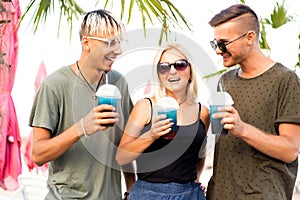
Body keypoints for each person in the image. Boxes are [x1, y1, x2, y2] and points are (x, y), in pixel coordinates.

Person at [29, 9, 135, 200]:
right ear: (86, 43)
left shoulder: (119, 83)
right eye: (109, 43)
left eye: (119, 43)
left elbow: (124, 143)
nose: (117, 50)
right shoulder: (54, 85)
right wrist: (81, 128)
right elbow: (37, 154)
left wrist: (131, 187)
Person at [206, 4, 300, 200]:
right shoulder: (225, 81)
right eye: (215, 44)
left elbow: (291, 150)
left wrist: (242, 129)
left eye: (223, 43)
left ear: (249, 38)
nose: (218, 51)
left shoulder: (285, 80)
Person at [116, 44, 209, 200]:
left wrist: (195, 180)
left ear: (190, 72)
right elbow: (121, 156)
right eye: (164, 67)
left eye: (180, 65)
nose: (172, 70)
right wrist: (151, 135)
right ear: (158, 74)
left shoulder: (203, 112)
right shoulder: (145, 107)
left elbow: (200, 155)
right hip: (149, 194)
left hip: (190, 194)